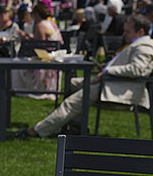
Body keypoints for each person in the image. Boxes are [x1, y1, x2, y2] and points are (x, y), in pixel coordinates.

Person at [17, 14, 153, 138]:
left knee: (72, 103)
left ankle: (37, 131)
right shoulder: (139, 44)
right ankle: (77, 127)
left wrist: (108, 71)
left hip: (120, 88)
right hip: (113, 83)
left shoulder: (144, 46)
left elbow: (137, 69)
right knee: (71, 83)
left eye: (127, 31)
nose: (124, 34)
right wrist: (106, 67)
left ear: (140, 31)